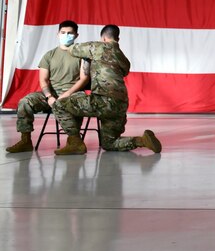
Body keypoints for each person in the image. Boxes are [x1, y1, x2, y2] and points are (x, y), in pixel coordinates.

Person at [52, 25, 162, 155]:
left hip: (102, 101)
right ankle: (142, 141)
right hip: (120, 106)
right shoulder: (123, 58)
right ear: (118, 38)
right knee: (110, 143)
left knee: (59, 105)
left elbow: (72, 49)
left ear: (103, 38)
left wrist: (67, 38)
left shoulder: (96, 46)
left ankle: (75, 143)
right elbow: (124, 71)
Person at [5, 20, 90, 153]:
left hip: (74, 93)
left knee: (62, 103)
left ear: (76, 35)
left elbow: (84, 79)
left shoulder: (82, 55)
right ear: (58, 34)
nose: (66, 35)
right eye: (63, 33)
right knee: (25, 102)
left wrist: (66, 94)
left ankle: (75, 142)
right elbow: (43, 80)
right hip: (52, 93)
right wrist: (49, 96)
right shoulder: (49, 55)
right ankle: (25, 140)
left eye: (70, 33)